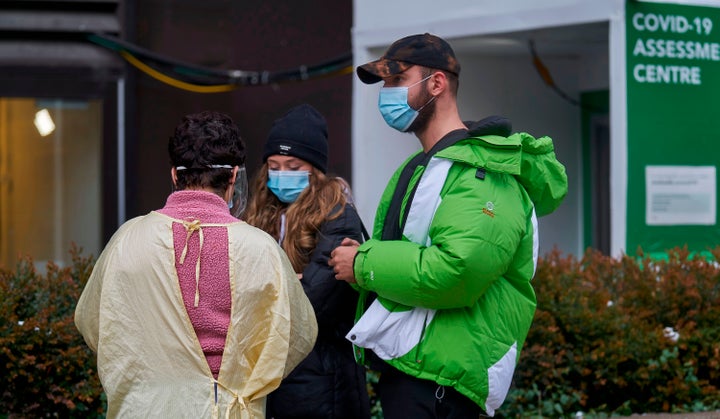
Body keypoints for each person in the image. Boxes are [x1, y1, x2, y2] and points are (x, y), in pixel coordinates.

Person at [328, 33, 569, 418]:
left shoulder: (484, 172)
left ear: (436, 83)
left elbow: (457, 271)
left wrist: (363, 264)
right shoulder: (428, 165)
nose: (386, 94)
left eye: (396, 80)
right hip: (417, 372)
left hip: (442, 385)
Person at [75, 110, 318, 418]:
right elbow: (298, 334)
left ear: (175, 175)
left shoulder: (128, 240)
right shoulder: (260, 249)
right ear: (233, 176)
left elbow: (93, 323)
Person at [244, 103, 371, 419]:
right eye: (274, 166)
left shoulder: (339, 216)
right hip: (278, 379)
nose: (281, 175)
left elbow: (311, 304)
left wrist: (264, 289)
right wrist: (288, 283)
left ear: (314, 170)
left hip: (324, 383)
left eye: (292, 166)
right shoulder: (264, 215)